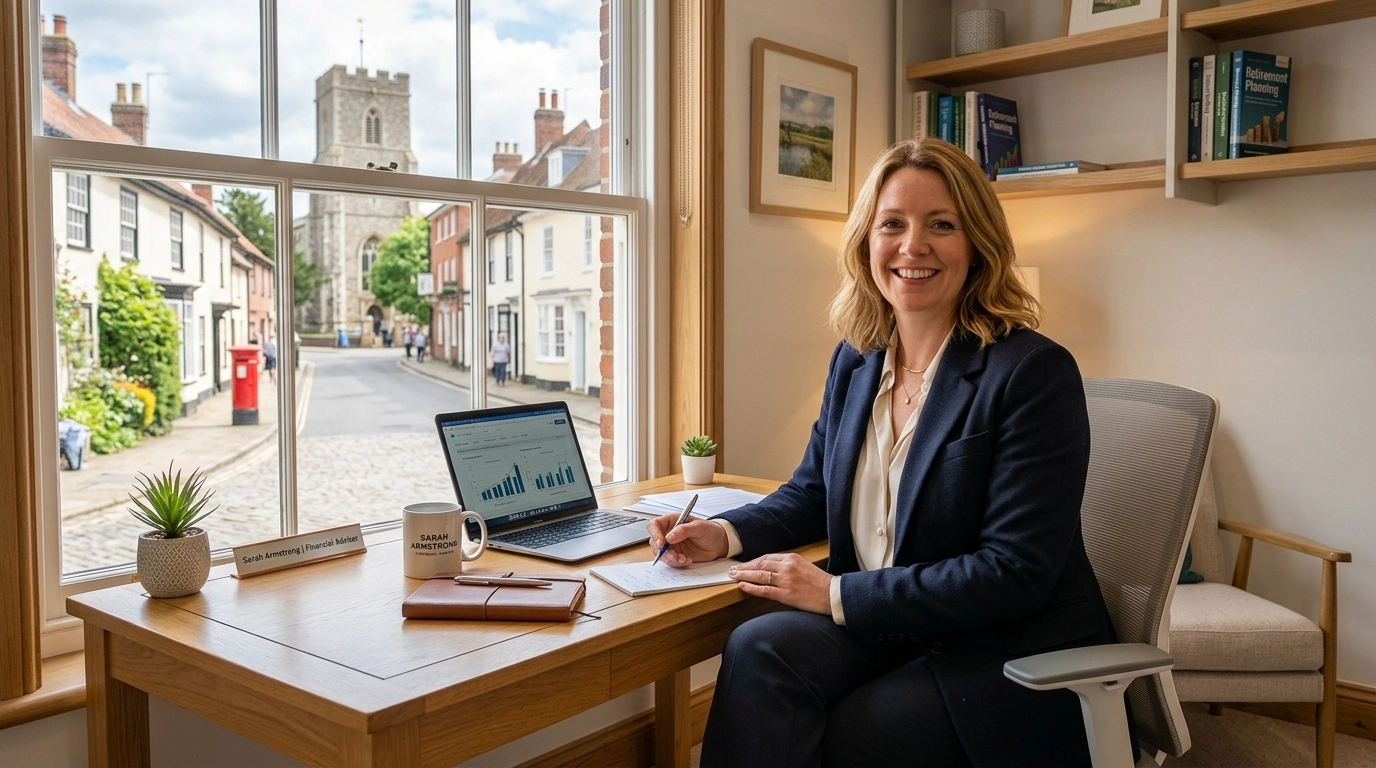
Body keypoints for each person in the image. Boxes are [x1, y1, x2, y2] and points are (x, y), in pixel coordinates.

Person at [648, 138, 1115, 768]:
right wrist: (724, 533)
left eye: (941, 225)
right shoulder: (857, 359)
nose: (912, 246)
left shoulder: (1032, 372)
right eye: (892, 223)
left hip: (1001, 645)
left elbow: (1014, 572)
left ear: (977, 243)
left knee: (850, 731)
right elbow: (813, 491)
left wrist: (835, 595)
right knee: (759, 650)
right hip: (894, 626)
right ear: (867, 242)